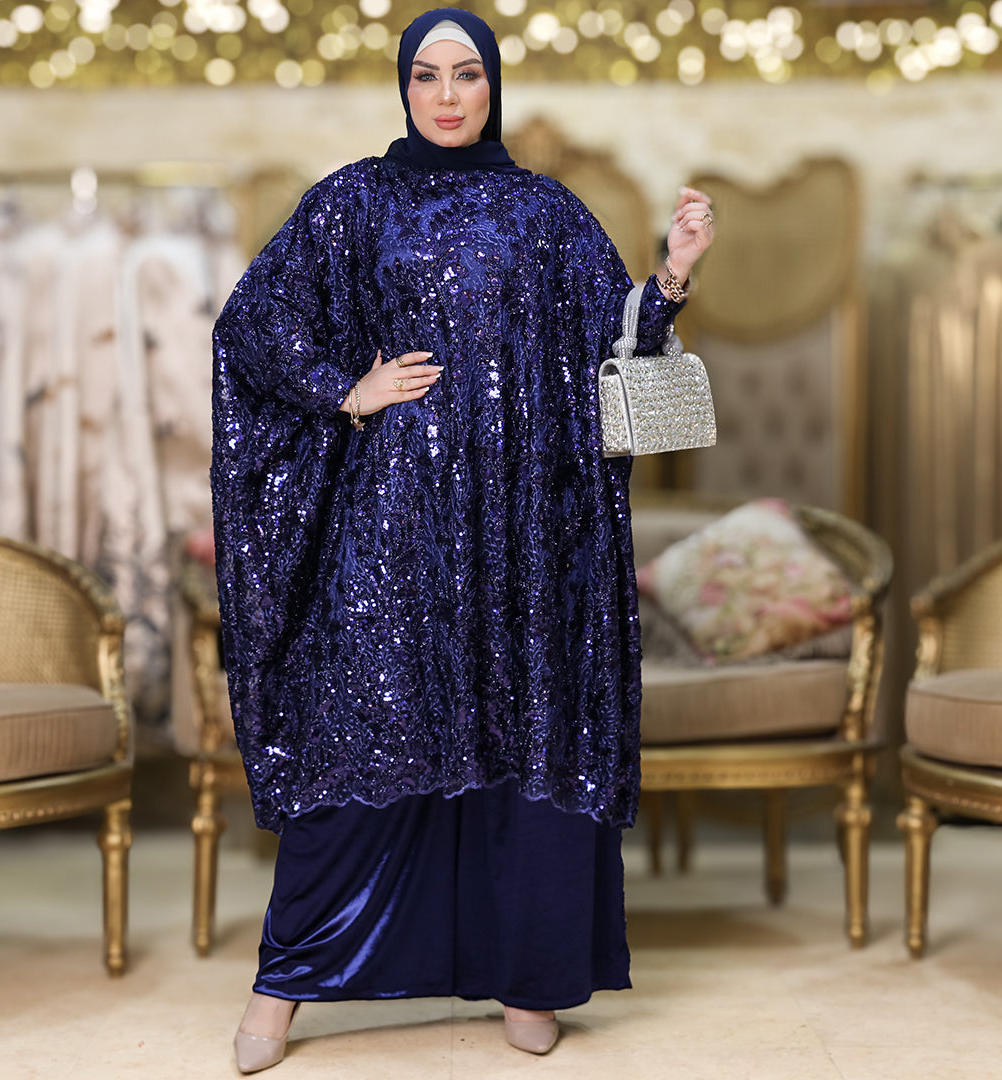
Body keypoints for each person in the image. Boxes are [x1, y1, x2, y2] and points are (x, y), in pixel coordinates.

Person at [211, 8, 715, 1073]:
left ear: (494, 87)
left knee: (525, 732)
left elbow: (613, 346)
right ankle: (283, 986)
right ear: (404, 88)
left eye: (468, 75)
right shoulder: (354, 200)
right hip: (394, 519)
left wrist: (671, 276)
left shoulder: (547, 212)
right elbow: (253, 323)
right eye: (429, 76)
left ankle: (530, 980)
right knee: (362, 730)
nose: (448, 95)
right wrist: (343, 389)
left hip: (529, 526)